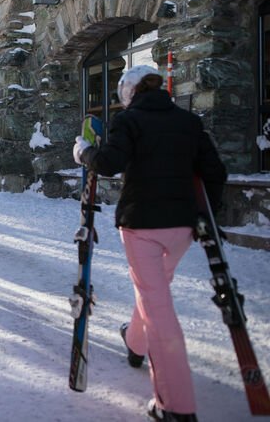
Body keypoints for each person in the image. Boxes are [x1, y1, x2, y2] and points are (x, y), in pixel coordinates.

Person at [73, 64, 226, 422]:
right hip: (182, 228)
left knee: (159, 308)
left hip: (142, 225)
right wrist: (208, 216)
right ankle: (135, 343)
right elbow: (215, 171)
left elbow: (108, 163)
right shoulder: (188, 122)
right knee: (153, 293)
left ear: (129, 92)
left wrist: (83, 152)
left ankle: (175, 406)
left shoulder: (130, 120)